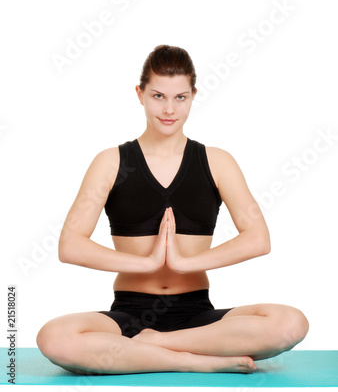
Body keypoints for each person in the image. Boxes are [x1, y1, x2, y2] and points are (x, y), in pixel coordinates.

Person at [36, 45, 309, 375]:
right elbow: (70, 245)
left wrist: (185, 263)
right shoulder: (110, 162)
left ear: (193, 95)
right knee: (54, 338)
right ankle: (192, 360)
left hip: (198, 318)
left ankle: (149, 347)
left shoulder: (217, 161)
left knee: (290, 323)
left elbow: (258, 239)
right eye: (158, 96)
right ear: (140, 94)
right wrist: (146, 262)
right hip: (129, 313)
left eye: (180, 97)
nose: (169, 109)